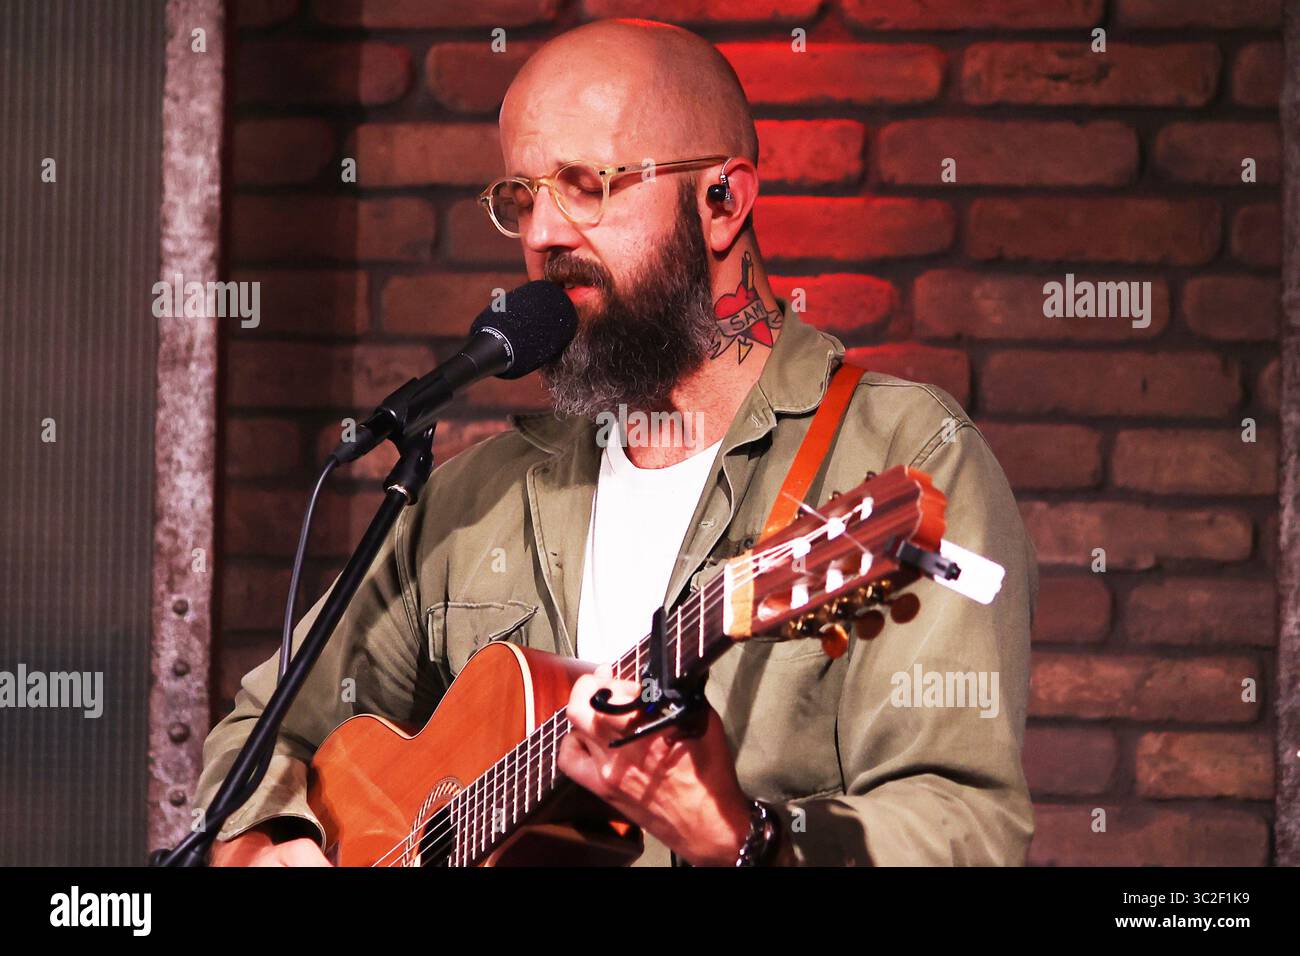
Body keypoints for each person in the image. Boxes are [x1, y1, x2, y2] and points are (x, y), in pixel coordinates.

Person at [198, 18, 1037, 867]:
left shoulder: (903, 453)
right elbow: (263, 731)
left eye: (586, 185)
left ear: (723, 202)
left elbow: (966, 831)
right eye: (522, 198)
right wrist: (268, 841)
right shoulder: (470, 498)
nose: (541, 235)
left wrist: (750, 843)